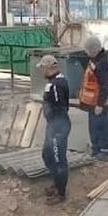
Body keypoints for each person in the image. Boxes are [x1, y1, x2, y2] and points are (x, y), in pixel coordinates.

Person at [39, 54, 71, 205]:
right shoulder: (52, 82)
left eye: (43, 68)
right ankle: (56, 183)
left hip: (58, 126)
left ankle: (61, 193)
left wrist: (53, 121)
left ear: (49, 67)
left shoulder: (57, 84)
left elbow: (59, 107)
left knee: (59, 160)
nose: (41, 71)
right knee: (47, 155)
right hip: (52, 125)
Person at [79, 35, 108, 160]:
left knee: (101, 126)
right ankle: (96, 149)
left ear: (94, 50)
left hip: (99, 103)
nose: (86, 54)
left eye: (88, 51)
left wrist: (100, 104)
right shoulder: (94, 61)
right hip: (92, 102)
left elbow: (104, 86)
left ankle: (103, 151)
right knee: (93, 127)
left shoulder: (101, 64)